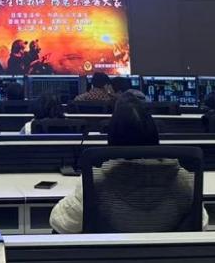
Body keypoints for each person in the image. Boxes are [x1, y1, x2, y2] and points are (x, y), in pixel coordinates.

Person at [50, 97, 206, 233]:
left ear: (112, 138)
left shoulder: (96, 182)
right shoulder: (182, 181)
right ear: (154, 136)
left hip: (112, 254)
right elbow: (201, 223)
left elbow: (61, 224)